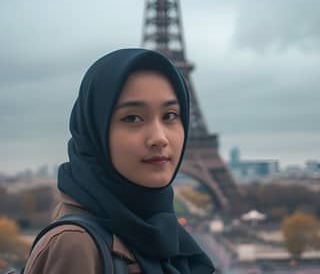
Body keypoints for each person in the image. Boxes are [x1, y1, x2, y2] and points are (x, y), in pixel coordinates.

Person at [24, 48, 215, 274]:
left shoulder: (157, 229)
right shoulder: (74, 245)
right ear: (96, 130)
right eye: (132, 118)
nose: (159, 138)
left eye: (170, 115)